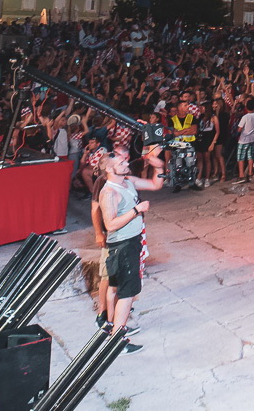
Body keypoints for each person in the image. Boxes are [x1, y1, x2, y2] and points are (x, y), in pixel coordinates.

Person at [99, 145, 164, 352]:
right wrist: (137, 210)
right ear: (109, 169)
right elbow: (110, 225)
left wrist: (159, 166)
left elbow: (155, 185)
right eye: (121, 163)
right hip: (122, 246)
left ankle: (113, 330)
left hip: (132, 242)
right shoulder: (109, 192)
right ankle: (117, 342)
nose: (126, 163)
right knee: (126, 295)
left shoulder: (128, 182)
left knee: (122, 291)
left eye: (125, 161)